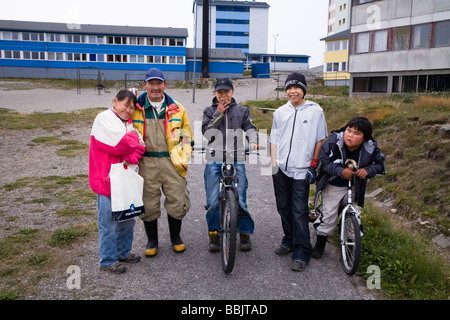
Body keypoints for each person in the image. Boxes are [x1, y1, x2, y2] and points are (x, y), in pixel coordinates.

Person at [131, 68, 193, 257]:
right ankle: (152, 240)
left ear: (165, 85)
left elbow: (187, 137)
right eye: (151, 83)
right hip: (146, 163)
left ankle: (176, 237)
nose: (155, 87)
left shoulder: (177, 109)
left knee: (177, 200)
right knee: (148, 204)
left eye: (159, 83)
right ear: (145, 85)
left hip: (171, 161)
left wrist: (183, 158)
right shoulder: (135, 108)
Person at [270, 72, 328, 272]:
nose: (292, 91)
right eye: (289, 88)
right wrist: (273, 165)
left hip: (302, 170)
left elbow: (319, 140)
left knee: (299, 211)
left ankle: (302, 251)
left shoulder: (315, 111)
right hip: (281, 168)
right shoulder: (280, 112)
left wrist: (313, 165)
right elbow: (274, 140)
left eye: (296, 88)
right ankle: (289, 239)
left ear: (303, 90)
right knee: (283, 207)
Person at [89, 90, 146, 274]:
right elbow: (119, 144)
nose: (128, 110)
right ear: (115, 101)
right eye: (125, 105)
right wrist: (133, 143)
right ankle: (107, 260)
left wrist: (132, 152)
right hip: (107, 182)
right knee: (109, 224)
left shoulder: (127, 122)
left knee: (127, 220)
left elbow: (141, 146)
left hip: (124, 181)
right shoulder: (103, 119)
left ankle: (123, 252)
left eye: (131, 107)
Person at [312, 116, 386, 258]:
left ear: (364, 138)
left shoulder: (370, 148)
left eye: (356, 133)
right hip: (334, 183)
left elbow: (379, 164)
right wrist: (341, 171)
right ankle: (320, 241)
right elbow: (324, 161)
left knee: (354, 215)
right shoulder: (333, 142)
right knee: (329, 214)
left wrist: (367, 171)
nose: (350, 135)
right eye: (349, 130)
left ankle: (352, 245)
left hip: (356, 185)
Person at [202, 78, 258, 252]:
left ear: (232, 92)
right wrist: (218, 113)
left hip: (236, 158)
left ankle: (243, 232)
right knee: (212, 201)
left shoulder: (242, 111)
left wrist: (254, 141)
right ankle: (213, 232)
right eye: (220, 92)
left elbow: (250, 128)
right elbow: (207, 133)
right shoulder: (209, 110)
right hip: (214, 158)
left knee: (240, 199)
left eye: (226, 91)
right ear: (215, 93)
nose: (223, 95)